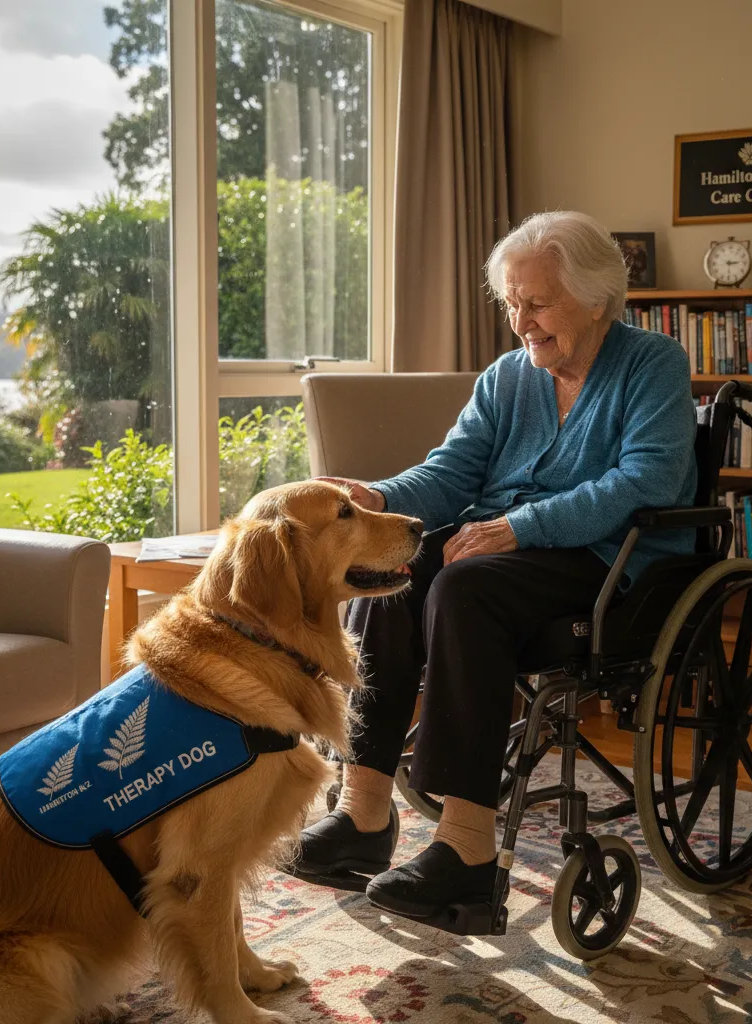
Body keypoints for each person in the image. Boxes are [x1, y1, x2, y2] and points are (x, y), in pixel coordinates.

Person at [295, 210, 697, 919]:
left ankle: (468, 851)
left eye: (537, 303)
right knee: (392, 575)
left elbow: (644, 482)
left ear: (597, 297)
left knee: (463, 588)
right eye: (512, 304)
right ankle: (362, 815)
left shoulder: (654, 364)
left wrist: (518, 525)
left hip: (608, 561)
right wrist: (381, 495)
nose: (521, 321)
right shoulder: (509, 376)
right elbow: (453, 471)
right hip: (506, 552)